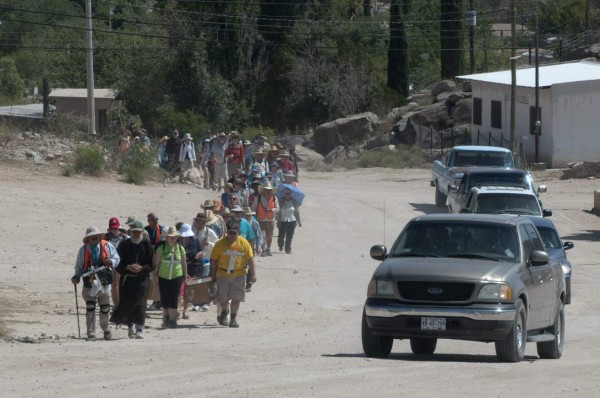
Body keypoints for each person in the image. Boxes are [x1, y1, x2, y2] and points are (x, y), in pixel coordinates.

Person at [71, 226, 120, 341]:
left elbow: (117, 259)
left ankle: (106, 329)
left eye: (96, 237)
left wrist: (110, 261)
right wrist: (76, 276)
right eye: (92, 237)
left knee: (105, 308)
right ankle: (91, 333)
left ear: (99, 237)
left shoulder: (107, 246)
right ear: (88, 238)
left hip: (104, 282)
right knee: (90, 307)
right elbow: (79, 267)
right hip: (89, 282)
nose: (94, 239)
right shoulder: (83, 250)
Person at [109, 221, 155, 339]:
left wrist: (141, 268)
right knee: (127, 303)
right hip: (127, 279)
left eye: (138, 232)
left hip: (142, 280)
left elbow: (152, 264)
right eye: (133, 231)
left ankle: (139, 329)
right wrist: (127, 267)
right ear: (130, 231)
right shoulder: (124, 245)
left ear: (142, 232)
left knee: (140, 304)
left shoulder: (147, 245)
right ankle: (130, 327)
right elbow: (117, 262)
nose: (135, 234)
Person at [210, 222, 257, 328]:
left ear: (238, 233)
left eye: (234, 233)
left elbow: (250, 259)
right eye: (229, 233)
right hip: (222, 274)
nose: (231, 235)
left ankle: (233, 319)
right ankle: (225, 311)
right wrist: (213, 274)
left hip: (239, 274)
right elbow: (214, 260)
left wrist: (253, 274)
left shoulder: (244, 243)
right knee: (222, 298)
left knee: (236, 298)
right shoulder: (220, 244)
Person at [154, 226, 188, 328]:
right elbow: (157, 263)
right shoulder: (161, 248)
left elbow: (184, 263)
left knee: (173, 297)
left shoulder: (180, 248)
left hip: (176, 276)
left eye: (174, 237)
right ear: (167, 237)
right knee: (164, 298)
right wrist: (155, 276)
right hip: (163, 276)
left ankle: (173, 320)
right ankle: (166, 317)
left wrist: (185, 277)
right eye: (171, 237)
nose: (173, 239)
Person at [104, 217, 127, 307]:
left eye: (116, 228)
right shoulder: (106, 237)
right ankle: (116, 306)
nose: (114, 230)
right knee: (113, 286)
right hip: (110, 264)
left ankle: (122, 305)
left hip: (121, 264)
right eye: (112, 228)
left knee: (120, 286)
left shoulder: (125, 237)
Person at [252, 181, 279, 257]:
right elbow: (253, 208)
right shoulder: (258, 198)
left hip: (271, 221)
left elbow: (278, 208)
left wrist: (272, 210)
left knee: (269, 237)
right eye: (266, 189)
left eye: (269, 190)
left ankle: (268, 249)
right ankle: (263, 250)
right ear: (263, 190)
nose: (268, 191)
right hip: (261, 221)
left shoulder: (274, 198)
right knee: (263, 236)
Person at [277, 188, 302, 254]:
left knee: (289, 236)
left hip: (292, 220)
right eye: (286, 193)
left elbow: (297, 211)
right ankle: (280, 245)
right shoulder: (280, 200)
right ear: (284, 194)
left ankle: (288, 249)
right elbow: (277, 210)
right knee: (281, 235)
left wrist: (299, 222)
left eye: (289, 193)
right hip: (282, 220)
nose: (287, 195)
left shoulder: (294, 201)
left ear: (291, 194)